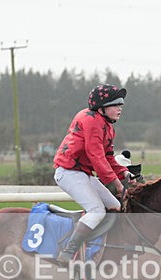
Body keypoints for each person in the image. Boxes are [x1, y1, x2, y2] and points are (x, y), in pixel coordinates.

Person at [52, 84, 135, 265]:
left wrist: (125, 173)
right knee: (96, 211)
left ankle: (96, 244)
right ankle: (69, 251)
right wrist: (118, 185)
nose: (119, 108)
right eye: (115, 104)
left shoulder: (107, 126)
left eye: (121, 104)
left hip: (82, 173)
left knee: (114, 205)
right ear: (101, 107)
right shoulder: (92, 121)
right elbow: (96, 157)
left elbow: (108, 158)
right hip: (68, 173)